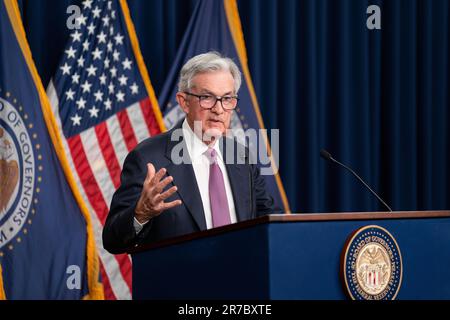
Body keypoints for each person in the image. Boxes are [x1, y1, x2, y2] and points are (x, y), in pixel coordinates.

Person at [103, 52, 279, 254]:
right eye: (207, 98)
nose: (218, 109)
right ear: (184, 102)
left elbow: (270, 221)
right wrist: (141, 214)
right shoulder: (147, 158)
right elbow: (112, 240)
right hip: (179, 282)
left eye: (227, 98)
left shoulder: (242, 156)